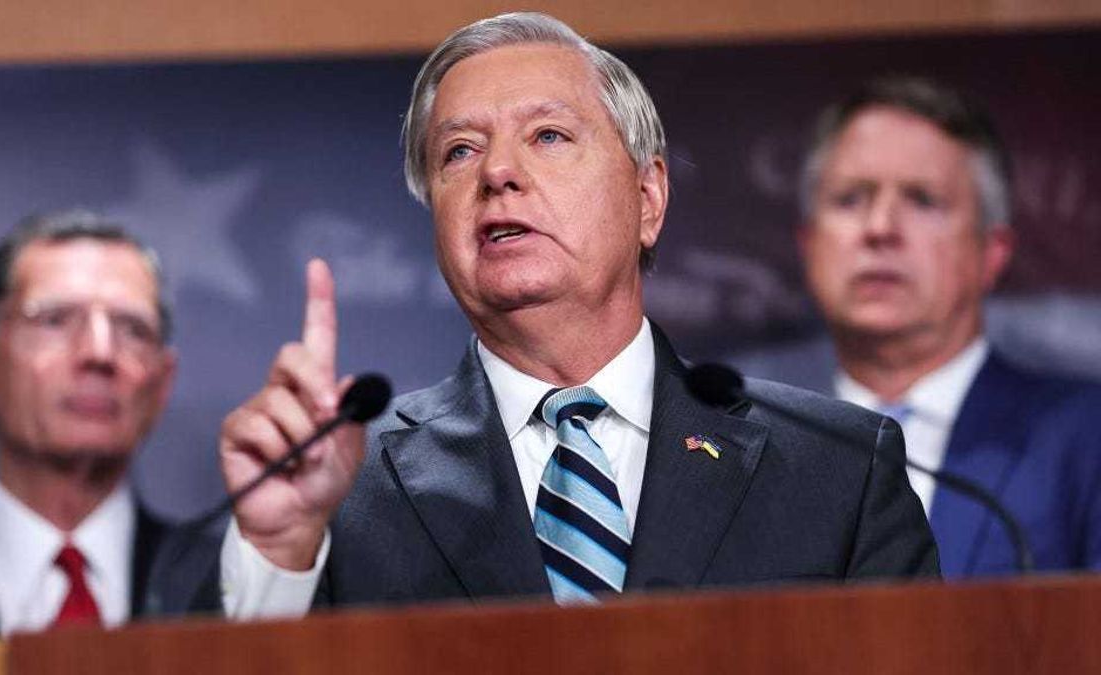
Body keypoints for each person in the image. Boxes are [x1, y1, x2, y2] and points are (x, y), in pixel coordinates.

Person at [217, 13, 937, 618]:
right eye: (460, 151)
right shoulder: (342, 488)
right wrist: (281, 555)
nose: (498, 173)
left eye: (548, 136)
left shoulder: (839, 469)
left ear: (648, 198)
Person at [797, 76, 1101, 577]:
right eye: (851, 199)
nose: (880, 228)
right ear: (809, 245)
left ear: (992, 252)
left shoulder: (1084, 437)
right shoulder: (743, 442)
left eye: (923, 200)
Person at [0, 211, 210, 674]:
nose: (99, 353)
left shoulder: (227, 588)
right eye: (54, 320)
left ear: (162, 384)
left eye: (133, 329)